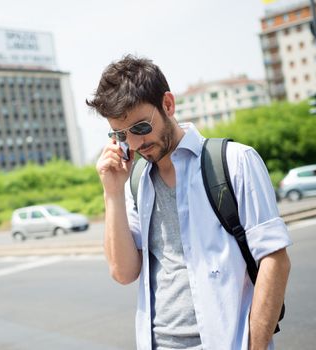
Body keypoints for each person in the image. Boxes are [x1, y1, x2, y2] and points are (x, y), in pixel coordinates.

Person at [86, 55, 291, 350]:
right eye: (120, 134)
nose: (133, 144)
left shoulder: (234, 162)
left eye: (141, 128)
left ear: (168, 105)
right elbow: (123, 272)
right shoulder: (136, 182)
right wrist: (112, 192)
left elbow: (275, 260)